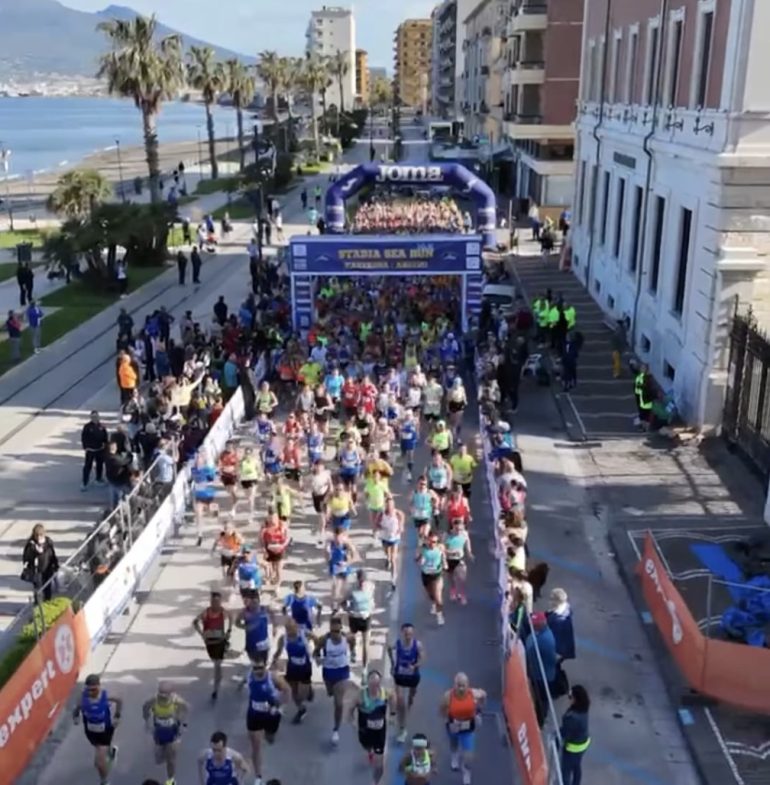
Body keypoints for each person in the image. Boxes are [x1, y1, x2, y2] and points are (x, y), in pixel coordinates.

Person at [245, 659, 289, 785]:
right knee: (256, 745)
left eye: (261, 668)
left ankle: (268, 734)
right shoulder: (249, 676)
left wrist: (282, 706)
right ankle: (258, 777)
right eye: (255, 668)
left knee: (270, 739)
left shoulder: (273, 677)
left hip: (271, 714)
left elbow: (287, 690)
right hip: (254, 714)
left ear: (265, 667)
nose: (258, 671)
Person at [314, 615, 356, 746]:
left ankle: (336, 730)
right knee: (331, 693)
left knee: (338, 703)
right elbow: (315, 652)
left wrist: (353, 652)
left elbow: (353, 642)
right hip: (328, 672)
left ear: (341, 629)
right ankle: (331, 692)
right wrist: (318, 658)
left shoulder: (347, 638)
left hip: (342, 671)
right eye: (333, 631)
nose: (335, 634)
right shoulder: (324, 640)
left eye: (337, 631)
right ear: (330, 630)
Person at [73, 674, 122, 785]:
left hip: (105, 731)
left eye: (94, 689)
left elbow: (119, 701)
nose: (91, 692)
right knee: (99, 752)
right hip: (91, 732)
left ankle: (104, 782)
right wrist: (75, 717)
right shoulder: (82, 698)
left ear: (99, 686)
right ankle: (111, 751)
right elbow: (77, 708)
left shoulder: (106, 695)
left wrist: (117, 716)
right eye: (89, 690)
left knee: (99, 763)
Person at [349, 670, 395, 784]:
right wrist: (352, 721)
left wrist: (393, 714)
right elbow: (350, 709)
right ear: (368, 683)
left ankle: (376, 782)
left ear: (380, 683)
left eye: (377, 683)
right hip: (365, 730)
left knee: (379, 763)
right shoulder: (360, 695)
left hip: (380, 732)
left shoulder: (385, 693)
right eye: (372, 683)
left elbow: (393, 698)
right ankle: (369, 751)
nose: (375, 686)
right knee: (366, 745)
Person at [440, 672, 487, 785]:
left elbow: (484, 695)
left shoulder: (474, 694)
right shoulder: (448, 696)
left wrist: (479, 711)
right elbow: (442, 710)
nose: (461, 688)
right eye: (458, 685)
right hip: (454, 724)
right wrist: (447, 720)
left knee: (468, 755)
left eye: (463, 685)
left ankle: (466, 771)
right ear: (454, 685)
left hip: (468, 727)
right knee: (454, 743)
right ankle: (454, 757)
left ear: (468, 685)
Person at [142, 682, 189, 785]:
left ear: (171, 694)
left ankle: (171, 780)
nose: (162, 698)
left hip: (173, 733)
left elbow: (185, 709)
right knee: (159, 759)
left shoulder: (177, 701)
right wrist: (146, 720)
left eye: (164, 696)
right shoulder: (154, 700)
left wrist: (183, 724)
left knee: (171, 759)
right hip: (159, 733)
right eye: (160, 695)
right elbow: (145, 707)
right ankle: (165, 754)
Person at [271, 618, 315, 724]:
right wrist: (274, 661)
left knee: (302, 695)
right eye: (288, 629)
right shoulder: (283, 639)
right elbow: (278, 651)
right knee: (293, 691)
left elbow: (318, 640)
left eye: (292, 628)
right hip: (292, 667)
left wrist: (317, 652)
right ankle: (301, 709)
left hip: (305, 667)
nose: (291, 631)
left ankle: (309, 690)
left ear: (296, 627)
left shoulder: (304, 634)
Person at [193, 591, 233, 701]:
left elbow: (231, 617)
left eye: (218, 601)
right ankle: (218, 678)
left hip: (220, 641)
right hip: (210, 643)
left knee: (217, 664)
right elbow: (195, 622)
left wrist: (229, 631)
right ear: (211, 602)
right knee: (215, 662)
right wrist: (202, 634)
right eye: (214, 601)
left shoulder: (222, 611)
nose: (216, 604)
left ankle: (216, 688)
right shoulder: (206, 613)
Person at [388, 623, 424, 743]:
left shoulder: (417, 645)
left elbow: (422, 659)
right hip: (400, 675)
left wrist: (415, 666)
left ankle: (408, 705)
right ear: (402, 633)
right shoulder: (397, 644)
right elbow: (389, 649)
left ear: (413, 634)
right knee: (400, 701)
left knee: (411, 698)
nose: (408, 636)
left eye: (410, 634)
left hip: (412, 676)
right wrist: (392, 664)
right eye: (406, 634)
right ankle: (402, 729)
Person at [560, 685, 591, 785]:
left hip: (572, 749)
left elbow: (565, 734)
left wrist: (557, 737)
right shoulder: (583, 709)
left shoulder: (572, 718)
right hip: (583, 744)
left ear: (576, 699)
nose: (569, 699)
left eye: (570, 696)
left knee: (565, 772)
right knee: (577, 767)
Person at [345, 568, 375, 667]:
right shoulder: (351, 589)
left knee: (366, 644)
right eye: (361, 581)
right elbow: (345, 601)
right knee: (352, 638)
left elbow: (372, 601)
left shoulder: (371, 587)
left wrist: (371, 608)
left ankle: (365, 668)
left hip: (366, 618)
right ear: (357, 580)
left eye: (364, 581)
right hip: (354, 617)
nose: (362, 583)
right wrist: (347, 609)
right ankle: (352, 650)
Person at [22, 523, 59, 601]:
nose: (39, 537)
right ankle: (38, 605)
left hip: (48, 569)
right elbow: (26, 558)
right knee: (38, 590)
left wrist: (56, 565)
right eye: (37, 535)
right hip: (37, 571)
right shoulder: (31, 544)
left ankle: (47, 604)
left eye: (40, 535)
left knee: (48, 589)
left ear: (44, 534)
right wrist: (34, 551)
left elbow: (52, 554)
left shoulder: (48, 542)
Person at [416, 531, 446, 626]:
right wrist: (420, 560)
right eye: (430, 542)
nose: (432, 544)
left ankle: (439, 615)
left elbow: (443, 555)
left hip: (437, 575)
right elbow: (417, 560)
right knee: (431, 595)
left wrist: (445, 563)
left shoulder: (440, 548)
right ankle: (433, 603)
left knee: (438, 598)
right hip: (426, 575)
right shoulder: (422, 549)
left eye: (434, 542)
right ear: (427, 541)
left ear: (437, 542)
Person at [376, 494, 404, 590]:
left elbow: (402, 517)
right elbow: (376, 523)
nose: (390, 507)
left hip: (394, 538)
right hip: (385, 537)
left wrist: (401, 527)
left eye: (391, 505)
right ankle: (387, 559)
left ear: (394, 505)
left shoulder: (397, 513)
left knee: (393, 559)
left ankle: (393, 580)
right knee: (386, 552)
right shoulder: (382, 513)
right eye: (388, 505)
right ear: (386, 505)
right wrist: (381, 527)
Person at [81, 411, 108, 491]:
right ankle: (84, 482)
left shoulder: (102, 426)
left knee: (99, 465)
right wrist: (85, 447)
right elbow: (83, 437)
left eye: (96, 416)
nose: (94, 418)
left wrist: (106, 447)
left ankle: (98, 478)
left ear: (98, 417)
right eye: (93, 417)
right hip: (90, 450)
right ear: (91, 418)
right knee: (87, 466)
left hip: (100, 449)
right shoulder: (87, 427)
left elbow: (105, 437)